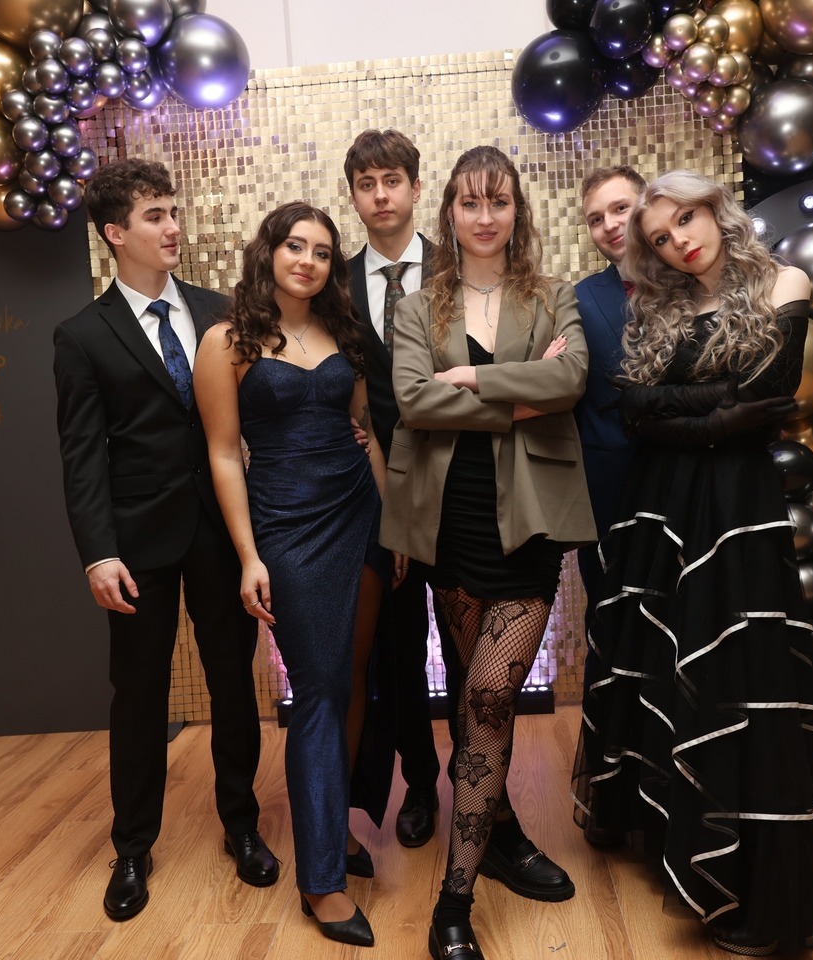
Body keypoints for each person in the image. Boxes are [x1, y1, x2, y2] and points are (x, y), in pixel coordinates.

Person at [571, 170, 813, 956]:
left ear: (716, 209)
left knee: (739, 673)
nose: (678, 241)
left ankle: (751, 879)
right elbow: (634, 409)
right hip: (663, 504)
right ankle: (670, 836)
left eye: (685, 219)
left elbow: (769, 393)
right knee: (664, 661)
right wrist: (714, 411)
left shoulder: (784, 282)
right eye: (660, 237)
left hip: (735, 507)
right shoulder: (661, 306)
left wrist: (682, 410)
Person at [382, 145, 596, 960]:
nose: (483, 217)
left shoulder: (552, 295)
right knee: (475, 694)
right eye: (469, 203)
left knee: (490, 698)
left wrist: (471, 382)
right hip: (448, 522)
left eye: (497, 201)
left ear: (516, 211)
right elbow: (412, 401)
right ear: (449, 212)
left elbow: (571, 381)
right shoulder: (417, 306)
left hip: (530, 522)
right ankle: (501, 830)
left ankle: (455, 900)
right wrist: (517, 389)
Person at [52, 158, 277, 923]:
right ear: (115, 232)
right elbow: (82, 454)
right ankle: (132, 847)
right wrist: (98, 551)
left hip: (222, 529)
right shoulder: (82, 335)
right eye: (155, 216)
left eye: (173, 211)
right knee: (139, 695)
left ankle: (242, 825)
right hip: (135, 542)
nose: (173, 226)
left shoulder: (221, 312)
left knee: (234, 683)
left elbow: (256, 414)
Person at [196, 201, 395, 948]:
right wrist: (250, 555)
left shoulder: (344, 332)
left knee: (350, 680)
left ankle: (330, 826)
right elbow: (223, 453)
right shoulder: (227, 340)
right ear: (269, 253)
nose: (307, 261)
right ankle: (320, 882)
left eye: (321, 251)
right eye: (294, 247)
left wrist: (390, 522)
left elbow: (365, 431)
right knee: (315, 689)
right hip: (286, 525)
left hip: (359, 515)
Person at [343, 129, 442, 849]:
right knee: (399, 653)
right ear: (354, 196)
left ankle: (485, 789)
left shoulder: (459, 266)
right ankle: (421, 783)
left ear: (414, 187)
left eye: (392, 181)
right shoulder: (333, 283)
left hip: (463, 482)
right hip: (381, 492)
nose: (381, 195)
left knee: (470, 652)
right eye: (366, 184)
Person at [572, 166, 646, 617]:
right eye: (596, 219)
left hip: (695, 479)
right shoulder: (578, 299)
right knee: (613, 620)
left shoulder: (697, 281)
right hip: (611, 495)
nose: (610, 225)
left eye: (621, 208)